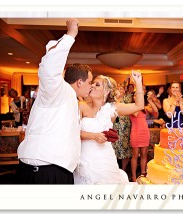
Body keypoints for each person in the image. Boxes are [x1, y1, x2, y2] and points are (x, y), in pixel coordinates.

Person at [17, 18, 93, 184]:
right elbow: (49, 69)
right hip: (44, 171)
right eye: (89, 82)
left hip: (57, 169)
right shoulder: (58, 91)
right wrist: (71, 35)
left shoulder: (71, 99)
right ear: (79, 82)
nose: (91, 87)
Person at [74, 71, 144, 184]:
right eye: (92, 83)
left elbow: (139, 106)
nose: (92, 86)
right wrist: (94, 136)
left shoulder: (113, 108)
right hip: (86, 157)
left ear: (106, 91)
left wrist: (138, 83)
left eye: (97, 85)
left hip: (105, 158)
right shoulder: (81, 106)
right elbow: (72, 132)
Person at [130, 91, 156, 182]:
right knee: (135, 155)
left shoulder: (144, 108)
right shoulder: (131, 107)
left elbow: (156, 111)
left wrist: (150, 101)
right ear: (133, 97)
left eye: (138, 95)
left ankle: (143, 174)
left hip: (145, 132)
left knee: (144, 154)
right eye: (135, 95)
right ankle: (133, 177)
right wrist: (139, 103)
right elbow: (136, 114)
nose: (136, 97)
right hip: (135, 132)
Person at [112, 83, 133, 173]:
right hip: (115, 126)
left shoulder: (128, 98)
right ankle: (115, 169)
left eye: (121, 89)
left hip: (125, 127)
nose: (119, 90)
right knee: (114, 147)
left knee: (125, 148)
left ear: (124, 90)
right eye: (118, 89)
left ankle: (123, 170)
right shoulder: (112, 100)